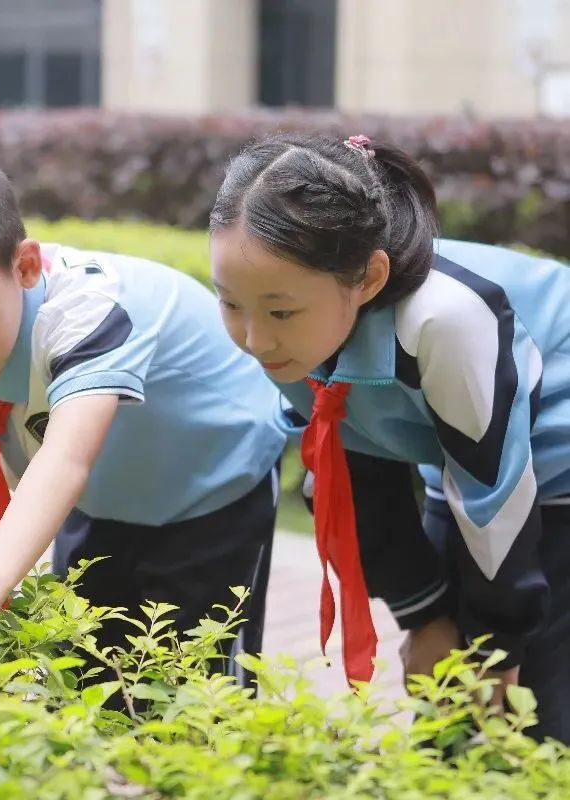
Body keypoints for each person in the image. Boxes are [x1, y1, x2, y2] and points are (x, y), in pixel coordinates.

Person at [0, 148, 285, 683]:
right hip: (100, 500)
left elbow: (66, 456)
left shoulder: (87, 312)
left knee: (197, 692)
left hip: (213, 490)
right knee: (83, 678)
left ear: (25, 266)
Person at [208, 131, 570, 743]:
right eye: (230, 304)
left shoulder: (448, 318)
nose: (254, 338)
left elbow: (496, 498)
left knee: (537, 710)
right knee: (445, 698)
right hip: (460, 464)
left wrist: (499, 648)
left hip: (548, 471)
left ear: (370, 278)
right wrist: (423, 616)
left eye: (280, 312)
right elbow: (352, 479)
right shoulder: (280, 331)